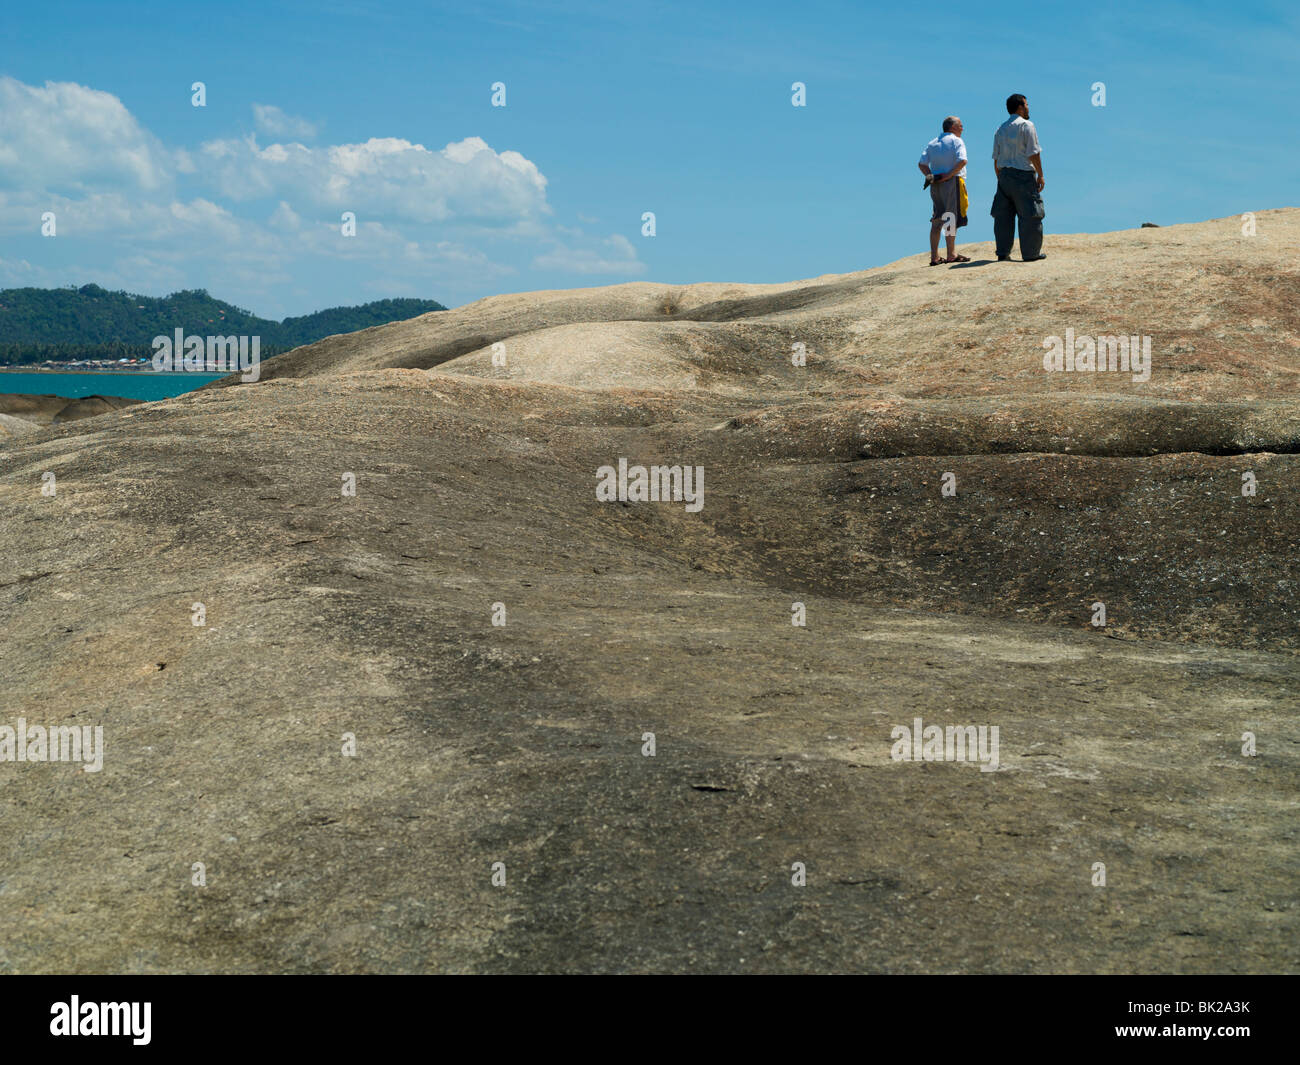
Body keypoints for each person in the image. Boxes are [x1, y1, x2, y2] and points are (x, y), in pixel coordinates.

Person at [991, 93, 1046, 261]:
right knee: (1030, 214)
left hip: (1004, 175)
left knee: (1003, 216)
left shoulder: (1000, 129)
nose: (1028, 108)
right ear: (1020, 107)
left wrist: (1000, 177)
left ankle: (1002, 253)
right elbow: (1033, 153)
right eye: (1027, 105)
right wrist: (1040, 175)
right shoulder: (1027, 125)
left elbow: (996, 157)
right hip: (1023, 174)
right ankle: (1031, 254)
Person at [917, 116, 970, 265]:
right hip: (952, 181)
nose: (962, 128)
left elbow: (921, 163)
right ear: (952, 127)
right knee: (951, 217)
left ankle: (934, 256)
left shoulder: (933, 142)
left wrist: (930, 176)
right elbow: (963, 160)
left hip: (935, 183)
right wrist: (949, 175)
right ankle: (951, 254)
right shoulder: (956, 141)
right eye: (960, 125)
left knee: (937, 217)